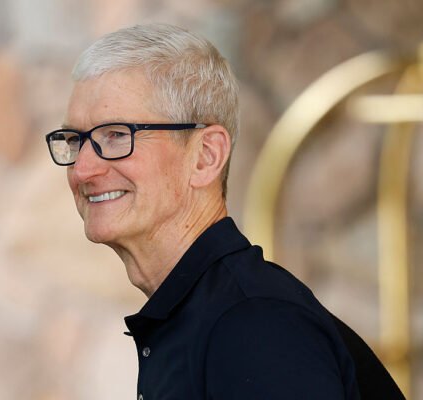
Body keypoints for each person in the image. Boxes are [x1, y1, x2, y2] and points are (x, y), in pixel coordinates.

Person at [45, 23, 399, 399]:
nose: (82, 170)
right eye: (75, 140)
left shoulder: (255, 325)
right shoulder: (210, 317)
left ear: (206, 156)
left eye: (116, 135)